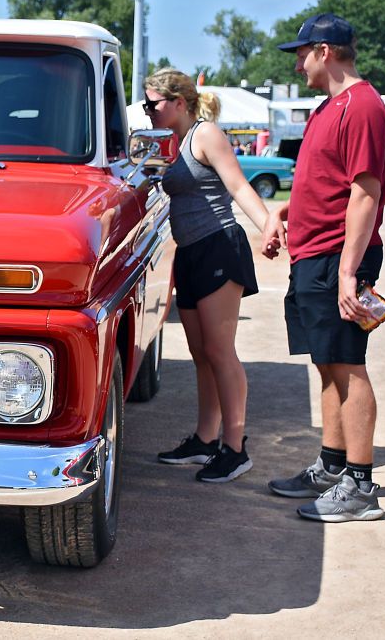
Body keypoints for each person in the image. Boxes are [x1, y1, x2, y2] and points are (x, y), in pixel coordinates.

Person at [262, 13, 385, 521]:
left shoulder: (362, 107)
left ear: (325, 51)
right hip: (313, 255)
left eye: (300, 53)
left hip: (339, 258)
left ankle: (360, 486)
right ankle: (333, 466)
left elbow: (364, 194)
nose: (297, 63)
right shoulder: (326, 109)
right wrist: (281, 213)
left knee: (348, 365)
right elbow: (325, 184)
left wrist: (347, 271)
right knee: (326, 363)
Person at [144, 68, 283, 482]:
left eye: (153, 103)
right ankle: (206, 440)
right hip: (190, 254)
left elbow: (238, 186)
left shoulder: (206, 135)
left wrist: (268, 226)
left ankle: (235, 448)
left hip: (219, 246)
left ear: (179, 103)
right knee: (201, 353)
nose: (148, 110)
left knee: (221, 353)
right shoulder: (177, 141)